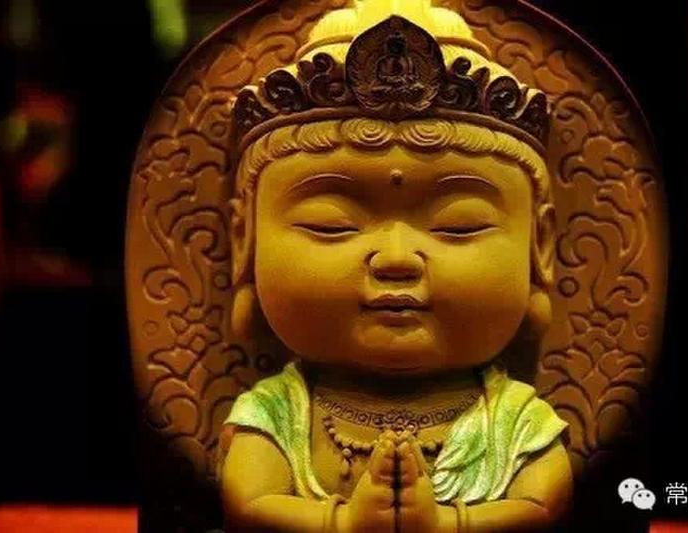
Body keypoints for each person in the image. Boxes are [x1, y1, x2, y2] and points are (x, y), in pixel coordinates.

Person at [219, 1, 572, 530]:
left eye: (459, 225)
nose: (397, 259)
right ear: (243, 241)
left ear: (539, 247)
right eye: (331, 224)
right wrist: (343, 524)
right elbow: (246, 501)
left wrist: (449, 525)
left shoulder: (513, 418)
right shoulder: (281, 412)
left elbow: (545, 502)